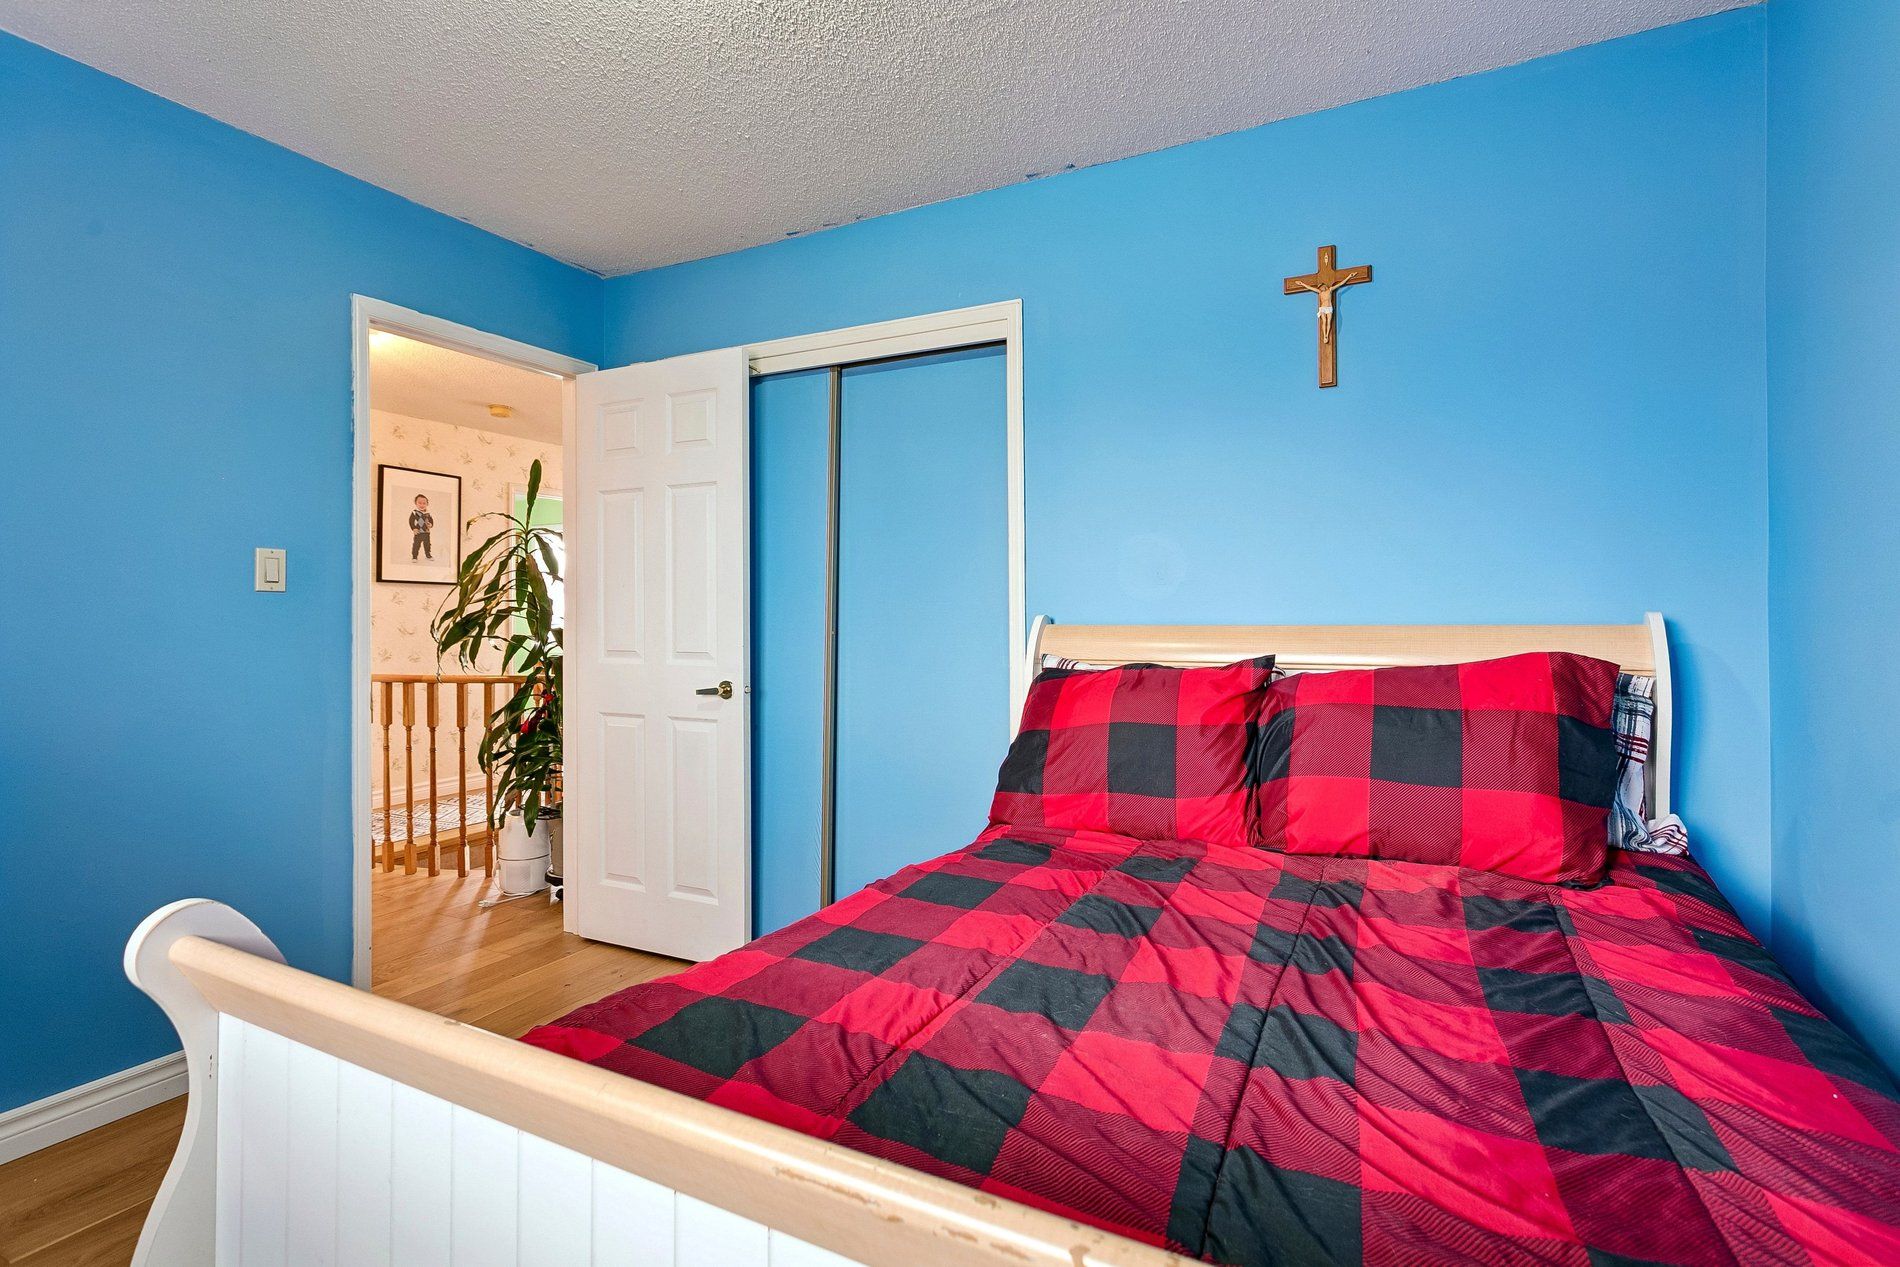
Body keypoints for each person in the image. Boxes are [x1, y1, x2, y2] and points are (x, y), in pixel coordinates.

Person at [409, 494, 434, 561]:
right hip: (418, 532)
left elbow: (431, 520)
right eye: (419, 503)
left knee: (427, 544)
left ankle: (428, 555)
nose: (422, 505)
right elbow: (411, 521)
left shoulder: (428, 513)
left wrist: (431, 524)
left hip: (426, 532)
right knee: (416, 545)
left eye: (424, 503)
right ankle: (414, 556)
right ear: (416, 503)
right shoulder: (414, 512)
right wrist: (414, 528)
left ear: (427, 504)